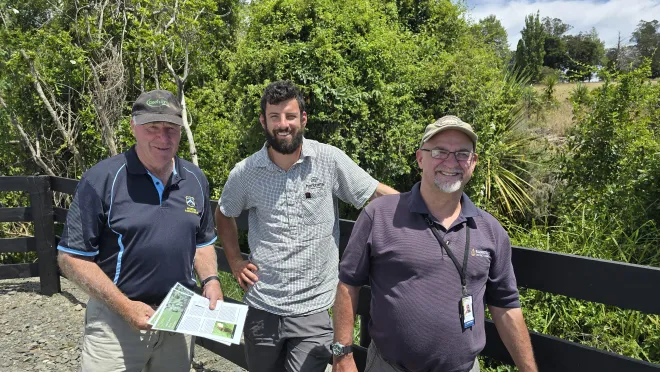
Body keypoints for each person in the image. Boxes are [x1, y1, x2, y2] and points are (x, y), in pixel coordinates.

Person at [215, 80, 398, 372]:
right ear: (263, 121)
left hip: (313, 311)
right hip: (262, 306)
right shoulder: (245, 172)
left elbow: (374, 193)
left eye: (289, 116)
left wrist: (421, 207)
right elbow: (224, 214)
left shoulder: (328, 159)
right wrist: (235, 260)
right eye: (274, 117)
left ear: (303, 119)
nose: (282, 124)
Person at [332, 115, 538, 372]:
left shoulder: (491, 230)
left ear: (473, 162)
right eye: (440, 151)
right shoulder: (380, 214)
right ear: (420, 158)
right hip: (389, 367)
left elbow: (506, 306)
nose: (451, 162)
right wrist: (342, 355)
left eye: (463, 154)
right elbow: (348, 285)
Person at [57, 90, 222, 372]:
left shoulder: (195, 179)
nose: (163, 137)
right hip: (115, 322)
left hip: (177, 320)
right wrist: (125, 306)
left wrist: (211, 280)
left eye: (170, 128)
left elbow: (203, 242)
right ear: (134, 127)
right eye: (152, 128)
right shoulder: (102, 179)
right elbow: (71, 258)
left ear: (181, 131)